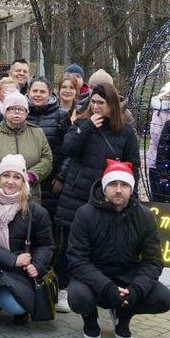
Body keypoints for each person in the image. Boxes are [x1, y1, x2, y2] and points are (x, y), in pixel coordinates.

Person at [54, 83, 139, 312]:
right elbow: (68, 149)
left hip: (108, 198)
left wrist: (132, 197)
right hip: (77, 195)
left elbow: (134, 166)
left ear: (112, 105)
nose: (96, 107)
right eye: (93, 102)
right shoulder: (82, 123)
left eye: (101, 103)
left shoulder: (126, 131)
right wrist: (88, 127)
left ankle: (106, 290)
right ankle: (65, 287)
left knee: (104, 244)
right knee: (71, 243)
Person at [67, 160, 170, 338]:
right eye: (112, 184)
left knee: (163, 299)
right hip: (94, 278)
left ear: (131, 189)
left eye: (124, 184)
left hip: (127, 277)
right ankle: (90, 320)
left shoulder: (145, 216)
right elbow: (77, 259)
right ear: (104, 187)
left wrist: (135, 291)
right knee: (78, 296)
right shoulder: (85, 214)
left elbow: (153, 261)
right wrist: (107, 288)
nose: (118, 189)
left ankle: (123, 316)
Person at [0, 154, 54, 329]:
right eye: (6, 175)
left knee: (13, 306)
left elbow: (46, 244)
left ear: (24, 182)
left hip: (19, 270)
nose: (10, 181)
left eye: (17, 177)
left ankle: (11, 305)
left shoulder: (35, 211)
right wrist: (12, 259)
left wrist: (37, 265)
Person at [0, 92, 53, 200]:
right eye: (12, 109)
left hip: (30, 192)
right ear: (5, 111)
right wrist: (7, 177)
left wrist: (30, 176)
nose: (17, 112)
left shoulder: (37, 133)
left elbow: (47, 160)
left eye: (21, 109)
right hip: (0, 192)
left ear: (26, 113)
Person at [25, 77, 70, 219]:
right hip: (26, 179)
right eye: (35, 91)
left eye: (42, 91)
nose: (38, 94)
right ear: (28, 92)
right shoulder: (21, 114)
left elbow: (70, 150)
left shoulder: (61, 116)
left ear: (50, 94)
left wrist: (61, 176)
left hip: (52, 181)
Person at [144, 88, 170, 199]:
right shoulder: (158, 111)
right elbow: (155, 136)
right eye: (166, 92)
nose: (169, 95)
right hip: (156, 158)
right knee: (157, 193)